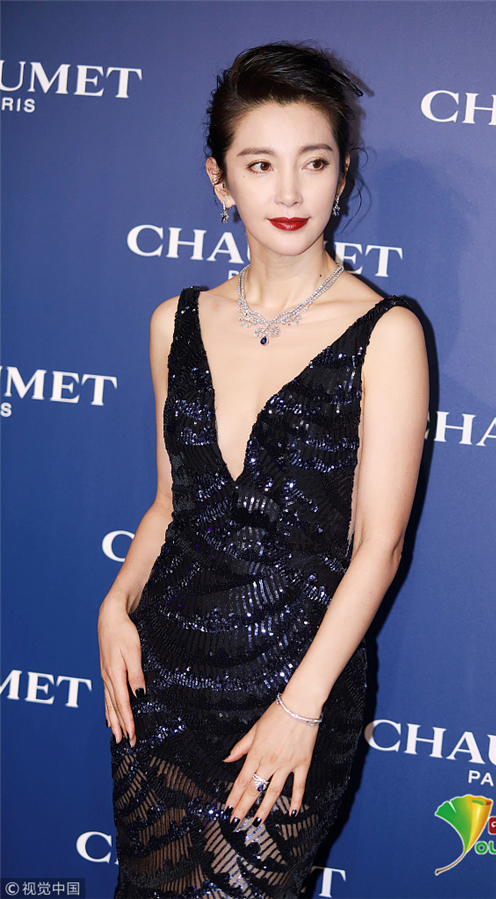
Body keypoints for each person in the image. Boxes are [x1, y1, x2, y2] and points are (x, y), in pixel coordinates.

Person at [98, 42, 428, 899]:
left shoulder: (387, 334)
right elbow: (171, 504)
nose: (288, 193)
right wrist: (116, 601)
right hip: (164, 678)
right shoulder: (174, 321)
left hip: (296, 686)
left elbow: (379, 546)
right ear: (221, 180)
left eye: (312, 163)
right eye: (259, 164)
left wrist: (302, 705)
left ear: (342, 175)